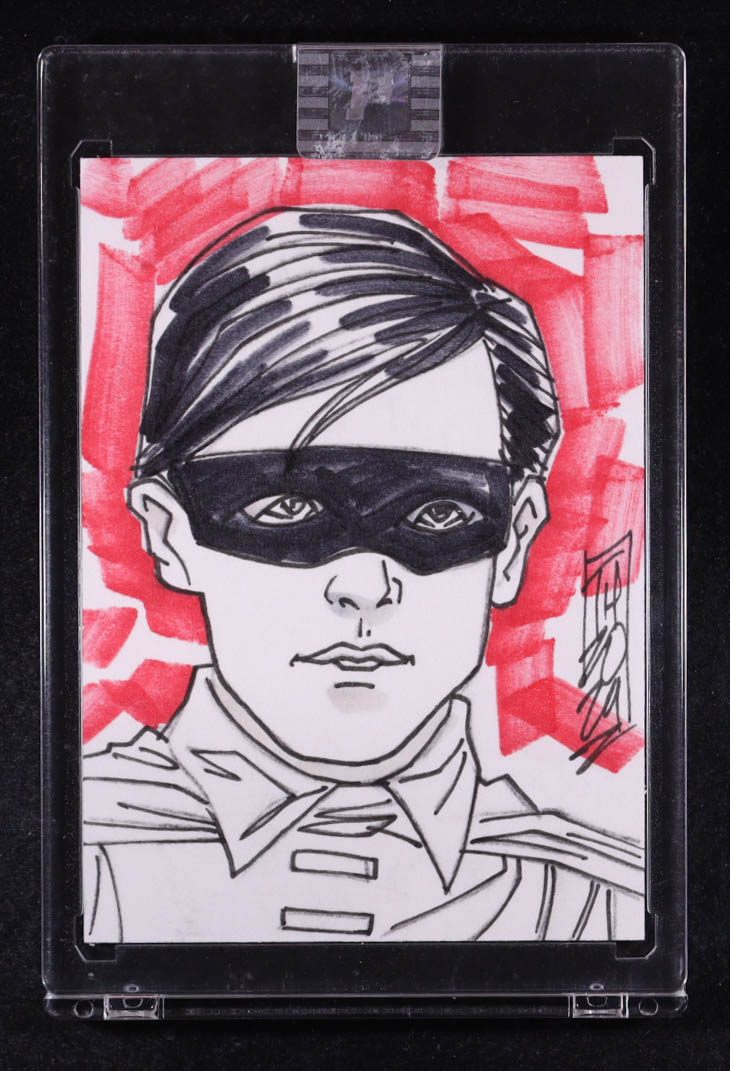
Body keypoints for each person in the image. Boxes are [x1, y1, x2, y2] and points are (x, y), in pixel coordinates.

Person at [83, 207, 644, 943]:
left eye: (439, 512)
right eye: (286, 506)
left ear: (513, 541)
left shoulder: (601, 906)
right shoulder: (74, 867)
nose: (367, 586)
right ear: (169, 531)